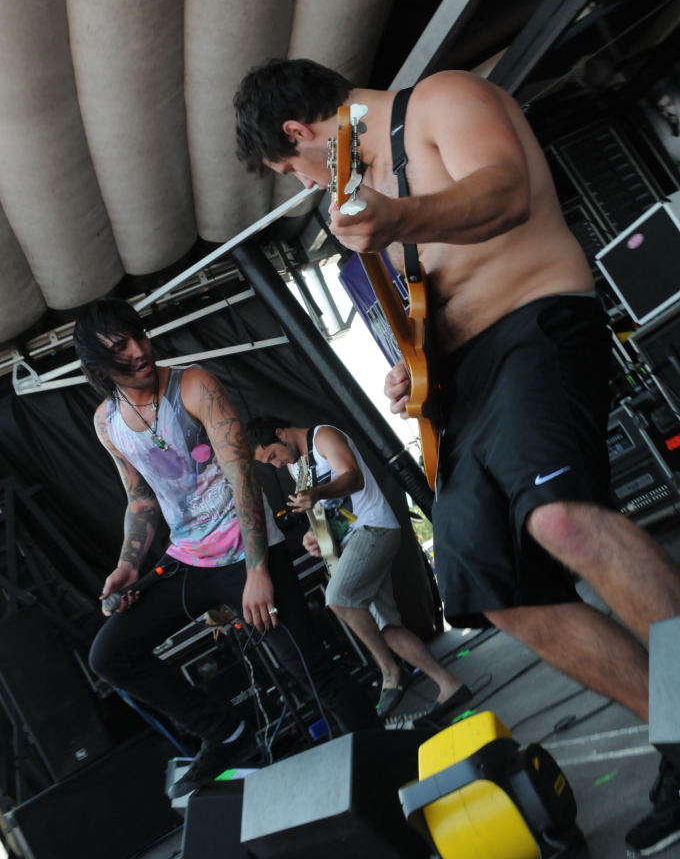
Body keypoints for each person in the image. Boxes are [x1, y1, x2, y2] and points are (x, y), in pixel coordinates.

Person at [234, 58, 680, 855]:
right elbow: (435, 296)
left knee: (561, 521)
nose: (305, 185)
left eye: (291, 170)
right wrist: (416, 363)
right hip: (462, 390)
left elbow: (505, 193)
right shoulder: (369, 187)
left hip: (536, 324)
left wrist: (399, 217)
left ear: (299, 133)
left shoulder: (442, 99)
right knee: (491, 587)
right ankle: (676, 738)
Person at [72, 297, 379, 798]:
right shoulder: (107, 422)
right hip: (188, 558)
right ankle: (225, 733)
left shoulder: (194, 386)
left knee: (311, 671)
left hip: (246, 553)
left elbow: (243, 478)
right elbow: (140, 498)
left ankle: (385, 768)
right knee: (110, 655)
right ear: (99, 365)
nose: (139, 350)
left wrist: (258, 571)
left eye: (139, 336)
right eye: (120, 347)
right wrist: (127, 565)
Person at [246, 416, 471, 719]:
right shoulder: (295, 467)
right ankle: (449, 685)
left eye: (273, 455)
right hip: (351, 541)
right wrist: (314, 535)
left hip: (373, 528)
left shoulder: (323, 436)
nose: (276, 464)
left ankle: (390, 671)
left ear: (280, 433)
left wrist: (316, 494)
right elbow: (324, 513)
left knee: (338, 598)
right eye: (269, 463)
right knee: (387, 628)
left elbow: (353, 478)